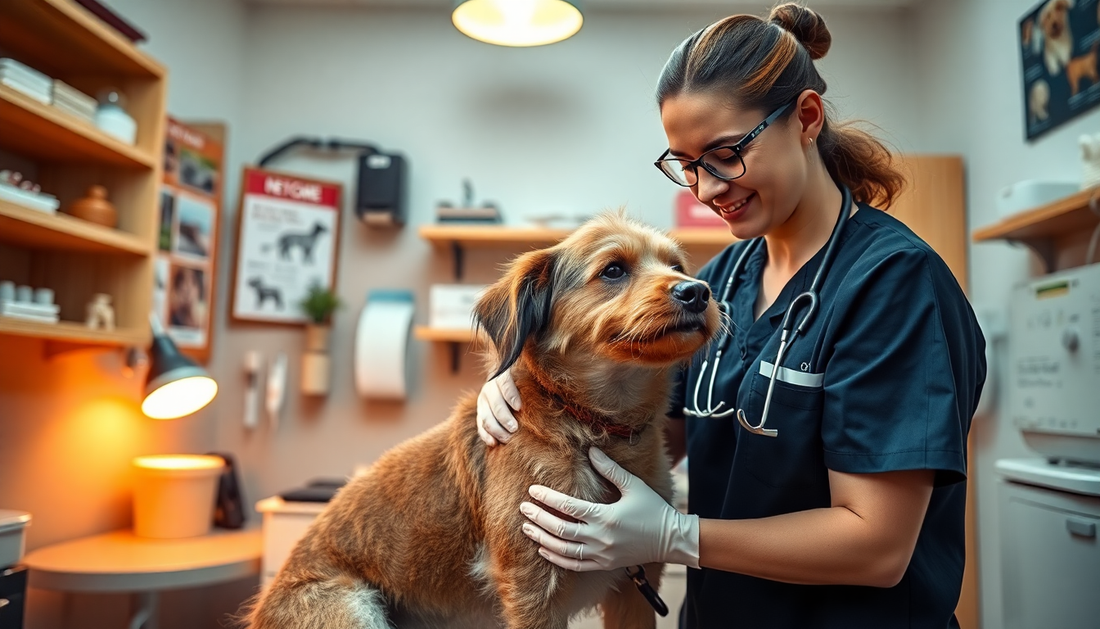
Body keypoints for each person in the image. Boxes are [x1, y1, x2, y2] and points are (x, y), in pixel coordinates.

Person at [475, 4, 987, 628]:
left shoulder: (894, 284)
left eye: (725, 153)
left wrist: (674, 536)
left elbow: (877, 544)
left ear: (805, 118)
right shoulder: (718, 281)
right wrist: (520, 380)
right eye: (687, 165)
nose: (707, 189)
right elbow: (641, 426)